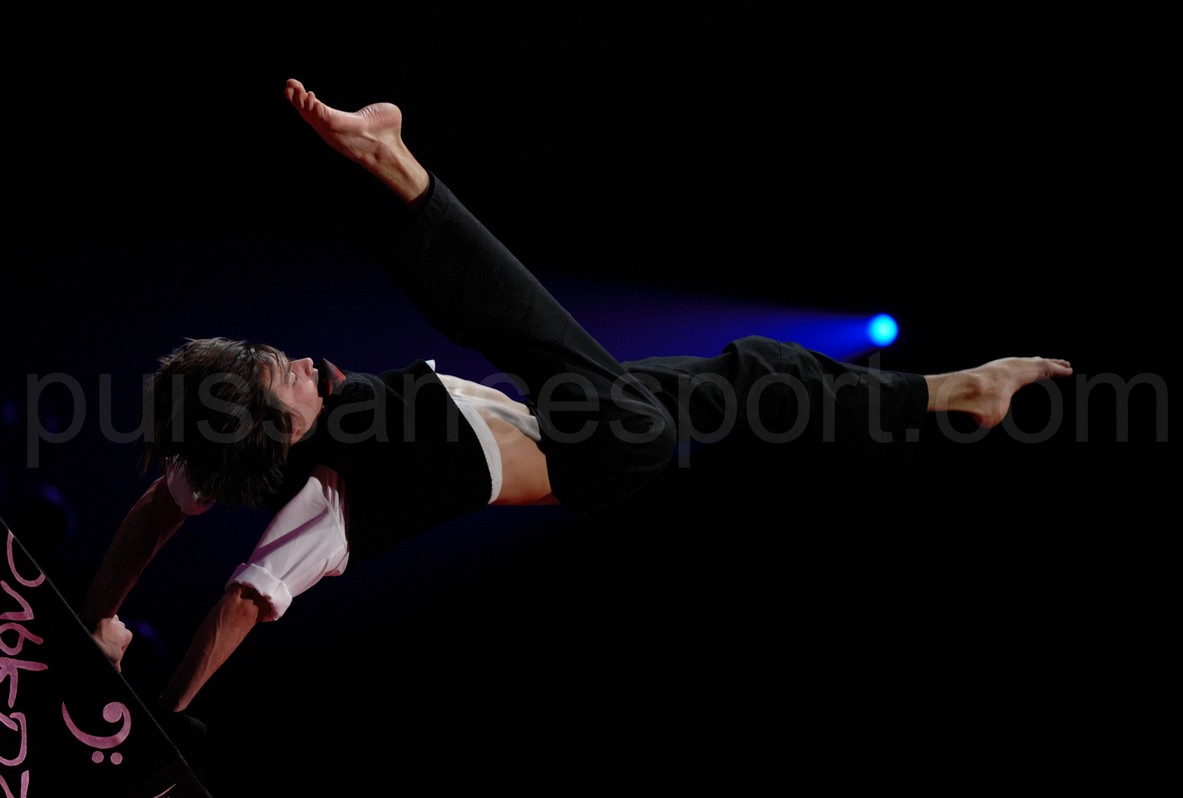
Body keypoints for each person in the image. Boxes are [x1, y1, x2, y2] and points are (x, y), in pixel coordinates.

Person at [80, 78, 1073, 736]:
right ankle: (393, 165)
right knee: (523, 328)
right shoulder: (329, 497)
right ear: (279, 428)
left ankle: (960, 393)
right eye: (283, 374)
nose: (301, 360)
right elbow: (245, 600)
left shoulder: (235, 452)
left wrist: (103, 619)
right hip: (603, 453)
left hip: (571, 414)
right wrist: (158, 718)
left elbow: (161, 504)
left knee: (763, 369)